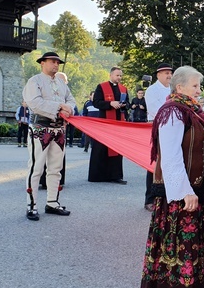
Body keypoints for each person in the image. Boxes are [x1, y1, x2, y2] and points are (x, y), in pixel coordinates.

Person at [141, 66, 204, 288]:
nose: (199, 90)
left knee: (192, 249)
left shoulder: (192, 110)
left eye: (199, 86)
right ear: (180, 87)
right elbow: (171, 156)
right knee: (179, 251)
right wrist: (185, 191)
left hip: (194, 193)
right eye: (195, 86)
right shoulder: (172, 111)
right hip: (179, 196)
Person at [23, 51, 76, 221]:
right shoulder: (34, 81)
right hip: (41, 127)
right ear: (42, 63)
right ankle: (31, 205)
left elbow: (72, 100)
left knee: (55, 168)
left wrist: (68, 109)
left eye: (57, 62)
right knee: (36, 168)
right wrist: (60, 107)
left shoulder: (62, 83)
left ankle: (52, 202)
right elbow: (35, 103)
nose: (55, 64)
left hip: (59, 129)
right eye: (52, 61)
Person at [89, 66, 129, 183]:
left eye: (120, 75)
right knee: (101, 148)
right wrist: (110, 103)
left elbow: (128, 103)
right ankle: (98, 176)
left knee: (116, 149)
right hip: (105, 122)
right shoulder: (101, 86)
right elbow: (96, 102)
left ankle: (115, 175)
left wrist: (123, 105)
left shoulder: (123, 88)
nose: (119, 78)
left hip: (118, 123)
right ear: (110, 75)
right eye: (117, 75)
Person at [143, 62, 174, 211]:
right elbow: (155, 110)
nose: (169, 75)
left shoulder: (173, 89)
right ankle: (150, 199)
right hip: (157, 128)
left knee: (169, 163)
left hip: (172, 129)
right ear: (158, 75)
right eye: (166, 73)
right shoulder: (152, 90)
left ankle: (165, 197)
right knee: (154, 164)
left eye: (170, 73)